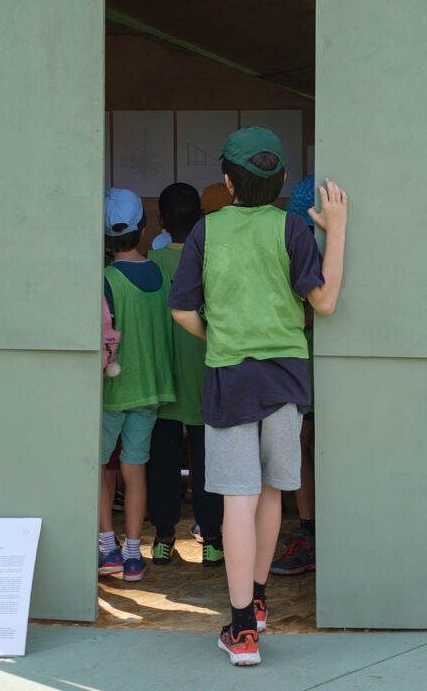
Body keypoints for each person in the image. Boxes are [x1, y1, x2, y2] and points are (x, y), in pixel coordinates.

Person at [168, 127, 347, 666]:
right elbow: (327, 302)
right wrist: (335, 231)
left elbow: (182, 310)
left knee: (236, 502)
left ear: (226, 181)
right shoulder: (293, 229)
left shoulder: (206, 230)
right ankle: (260, 600)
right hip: (286, 379)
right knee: (272, 493)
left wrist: (221, 336)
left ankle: (242, 628)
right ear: (284, 180)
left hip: (230, 378)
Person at [98, 188, 175, 582]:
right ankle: (132, 555)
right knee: (134, 470)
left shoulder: (106, 279)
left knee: (99, 467)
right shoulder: (161, 274)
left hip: (111, 393)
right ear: (144, 228)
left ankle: (106, 549)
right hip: (150, 391)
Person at [147, 183, 225, 567]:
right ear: (200, 219)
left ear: (160, 221)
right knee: (207, 462)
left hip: (162, 382)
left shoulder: (150, 263)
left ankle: (163, 539)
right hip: (205, 378)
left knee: (161, 463)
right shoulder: (210, 260)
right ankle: (212, 541)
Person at [271, 175, 317, 576]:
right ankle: (311, 532)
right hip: (309, 367)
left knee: (302, 448)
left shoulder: (300, 247)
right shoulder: (326, 247)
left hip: (304, 365)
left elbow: (312, 309)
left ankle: (311, 532)